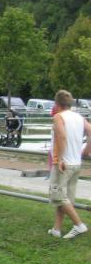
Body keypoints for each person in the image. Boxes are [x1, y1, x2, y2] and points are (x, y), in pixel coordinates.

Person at [47, 89, 91, 239]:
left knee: (57, 195)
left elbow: (62, 137)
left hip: (63, 164)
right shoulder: (79, 117)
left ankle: (79, 225)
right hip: (76, 163)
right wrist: (86, 150)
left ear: (57, 103)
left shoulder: (58, 117)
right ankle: (56, 229)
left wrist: (60, 159)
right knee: (66, 199)